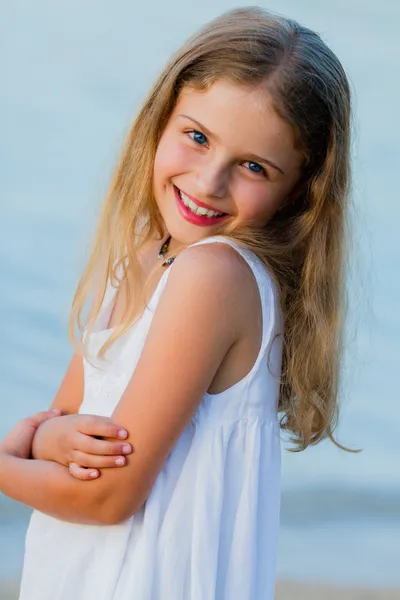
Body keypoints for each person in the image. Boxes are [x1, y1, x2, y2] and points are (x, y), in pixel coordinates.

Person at [0, 6, 354, 599]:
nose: (208, 183)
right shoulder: (146, 256)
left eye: (252, 166)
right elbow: (56, 423)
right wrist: (44, 443)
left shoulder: (214, 276)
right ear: (160, 118)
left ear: (300, 189)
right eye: (197, 137)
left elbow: (107, 495)